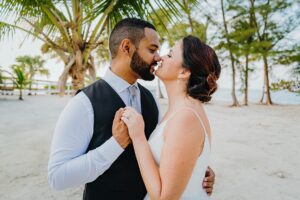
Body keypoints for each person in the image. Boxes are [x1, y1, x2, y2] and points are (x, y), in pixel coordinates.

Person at [48, 18, 215, 200]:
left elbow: (170, 151)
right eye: (152, 50)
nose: (158, 57)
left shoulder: (151, 99)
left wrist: (194, 171)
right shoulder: (83, 103)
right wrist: (115, 145)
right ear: (126, 47)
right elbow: (57, 177)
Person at [119, 35, 221, 199]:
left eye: (170, 54)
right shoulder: (182, 110)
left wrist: (138, 137)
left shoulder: (186, 117)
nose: (161, 57)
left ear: (184, 72)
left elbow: (163, 197)